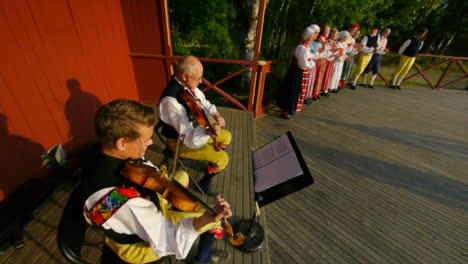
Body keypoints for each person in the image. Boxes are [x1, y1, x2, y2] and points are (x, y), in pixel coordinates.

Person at [81, 98, 232, 264]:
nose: (151, 142)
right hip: (138, 245)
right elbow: (167, 239)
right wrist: (204, 219)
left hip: (141, 204)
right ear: (122, 143)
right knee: (216, 222)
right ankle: (203, 258)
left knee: (181, 177)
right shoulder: (117, 199)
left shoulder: (104, 151)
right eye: (145, 139)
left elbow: (145, 175)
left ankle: (180, 214)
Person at [158, 56, 231, 196]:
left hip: (195, 131)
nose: (201, 81)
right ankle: (205, 183)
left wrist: (216, 116)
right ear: (185, 76)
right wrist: (208, 131)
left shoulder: (187, 87)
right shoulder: (171, 102)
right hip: (179, 141)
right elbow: (189, 138)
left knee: (227, 137)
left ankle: (210, 159)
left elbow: (204, 102)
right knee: (223, 159)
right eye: (198, 78)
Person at [277, 26, 319, 119]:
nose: (312, 39)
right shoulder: (301, 48)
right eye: (311, 37)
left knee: (295, 91)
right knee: (291, 91)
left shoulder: (304, 47)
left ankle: (290, 108)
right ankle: (286, 111)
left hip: (298, 72)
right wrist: (312, 62)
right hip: (296, 72)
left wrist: (312, 58)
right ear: (307, 37)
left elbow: (308, 58)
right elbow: (303, 64)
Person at [349, 25, 380, 90]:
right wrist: (371, 49)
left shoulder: (377, 36)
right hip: (363, 54)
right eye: (372, 29)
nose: (373, 30)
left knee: (362, 69)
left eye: (374, 29)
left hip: (370, 55)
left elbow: (377, 45)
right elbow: (362, 47)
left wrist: (376, 49)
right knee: (360, 68)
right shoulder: (366, 37)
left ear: (376, 30)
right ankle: (354, 82)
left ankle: (352, 80)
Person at [339, 24, 361, 89]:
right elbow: (344, 46)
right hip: (343, 55)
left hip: (349, 55)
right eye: (353, 30)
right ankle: (339, 83)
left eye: (355, 31)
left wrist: (356, 49)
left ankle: (342, 83)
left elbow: (351, 50)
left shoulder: (352, 38)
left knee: (346, 70)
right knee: (342, 70)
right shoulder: (345, 34)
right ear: (350, 28)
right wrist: (353, 47)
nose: (354, 32)